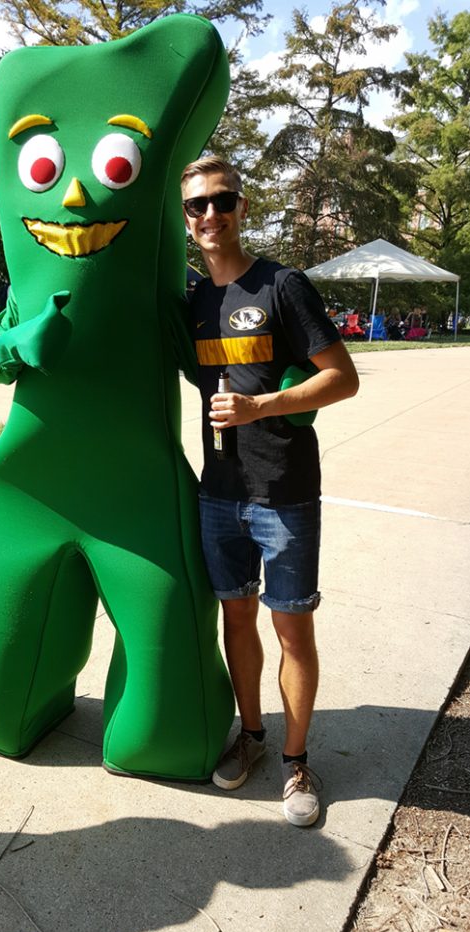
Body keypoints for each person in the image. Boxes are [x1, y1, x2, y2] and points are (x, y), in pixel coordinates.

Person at [181, 156, 359, 826]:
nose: (210, 214)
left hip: (284, 492)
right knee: (236, 620)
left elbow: (342, 378)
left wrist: (262, 407)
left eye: (221, 201)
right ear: (186, 219)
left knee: (291, 628)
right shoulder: (192, 302)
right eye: (196, 205)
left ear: (241, 207)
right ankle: (251, 735)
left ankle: (295, 760)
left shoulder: (283, 286)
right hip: (218, 492)